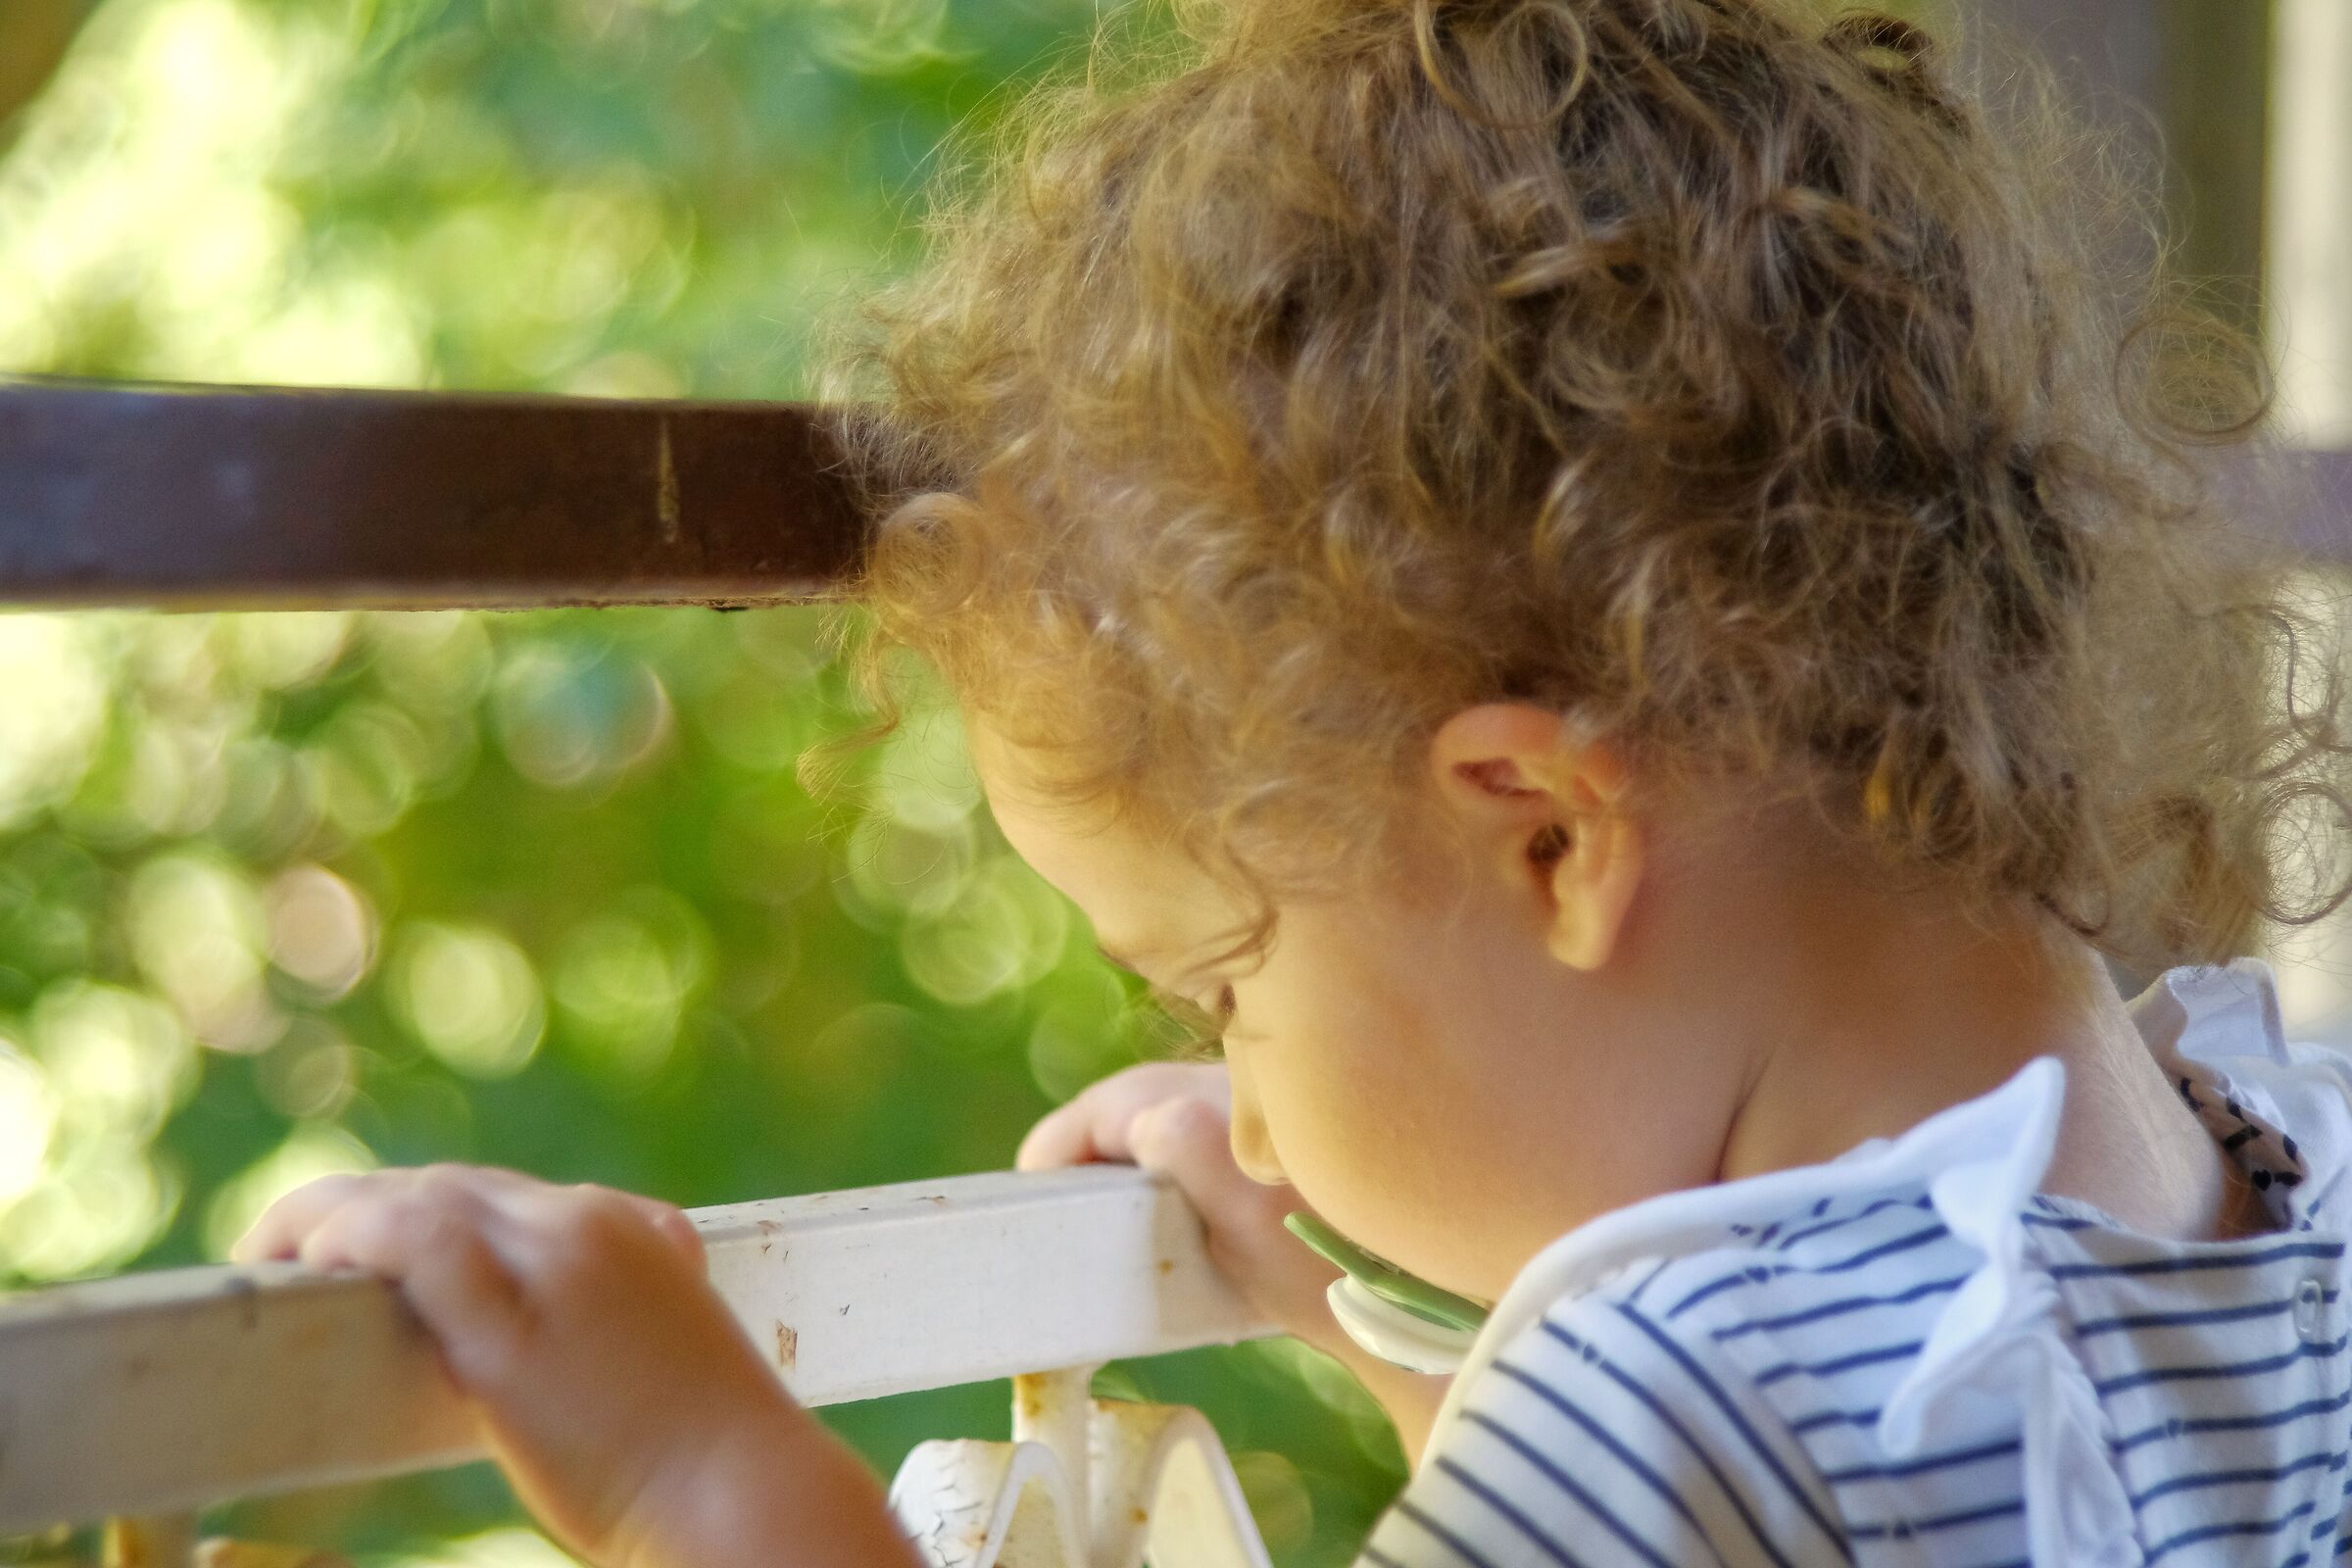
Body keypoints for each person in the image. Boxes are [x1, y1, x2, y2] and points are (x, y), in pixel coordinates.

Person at [230, 0, 2352, 1563]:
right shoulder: (2287, 1173)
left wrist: (690, 1466)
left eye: (1227, 978)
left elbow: (1699, 1466)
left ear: (1546, 827)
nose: (1241, 1105)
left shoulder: (1668, 1407)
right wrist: (1394, 1340)